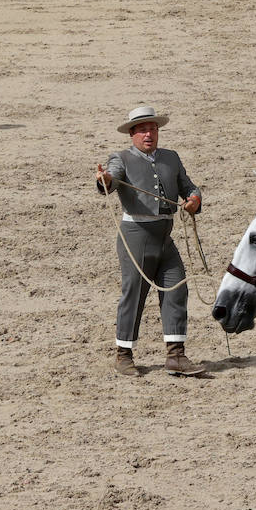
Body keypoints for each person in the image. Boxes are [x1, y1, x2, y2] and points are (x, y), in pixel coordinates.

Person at [94, 106, 205, 378]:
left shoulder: (171, 158)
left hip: (165, 236)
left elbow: (189, 187)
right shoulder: (119, 159)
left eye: (152, 129)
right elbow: (110, 181)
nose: (148, 134)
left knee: (176, 289)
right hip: (137, 236)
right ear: (132, 134)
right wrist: (105, 179)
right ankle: (123, 355)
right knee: (134, 294)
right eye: (142, 130)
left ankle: (176, 355)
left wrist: (194, 199)